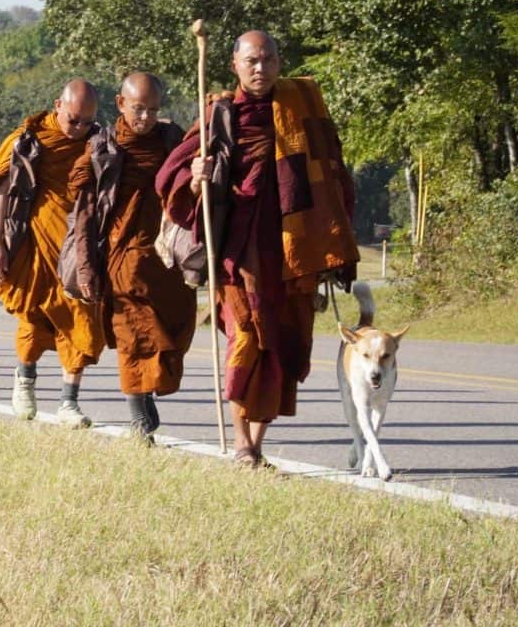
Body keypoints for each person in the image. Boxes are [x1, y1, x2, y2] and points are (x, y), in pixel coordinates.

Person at [156, 30, 359, 466]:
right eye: (251, 61)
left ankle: (258, 443)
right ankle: (242, 442)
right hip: (239, 249)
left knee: (283, 342)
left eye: (267, 59)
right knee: (246, 338)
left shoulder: (302, 109)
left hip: (293, 250)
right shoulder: (221, 114)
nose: (260, 68)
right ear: (235, 66)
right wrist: (196, 176)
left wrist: (332, 236)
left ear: (279, 62)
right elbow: (169, 177)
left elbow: (332, 170)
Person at [0, 79, 105, 428]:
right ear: (58, 105)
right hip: (34, 242)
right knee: (33, 316)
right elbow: (2, 192)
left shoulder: (98, 143)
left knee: (83, 316)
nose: (79, 128)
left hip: (79, 245)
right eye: (73, 119)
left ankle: (68, 403)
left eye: (87, 121)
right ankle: (25, 379)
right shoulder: (28, 141)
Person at [66, 73, 196, 440]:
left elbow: (191, 180)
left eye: (153, 110)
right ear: (121, 104)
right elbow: (86, 214)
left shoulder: (173, 140)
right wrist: (88, 269)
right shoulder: (103, 149)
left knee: (174, 329)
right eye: (138, 109)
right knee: (133, 334)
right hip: (123, 260)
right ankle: (139, 413)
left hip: (167, 255)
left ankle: (146, 392)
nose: (145, 118)